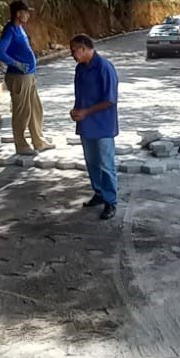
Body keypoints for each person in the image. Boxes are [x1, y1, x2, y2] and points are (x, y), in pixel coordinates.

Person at [0, 0, 52, 155]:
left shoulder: (20, 29)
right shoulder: (10, 30)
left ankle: (38, 141)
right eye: (26, 12)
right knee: (22, 112)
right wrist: (16, 64)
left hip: (29, 76)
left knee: (35, 109)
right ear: (19, 13)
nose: (28, 15)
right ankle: (21, 145)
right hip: (18, 77)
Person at [70, 34, 119, 221]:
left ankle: (110, 201)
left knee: (106, 164)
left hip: (103, 124)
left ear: (83, 48)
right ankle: (99, 192)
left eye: (74, 50)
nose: (72, 54)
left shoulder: (104, 67)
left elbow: (110, 99)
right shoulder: (80, 69)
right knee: (92, 162)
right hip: (86, 124)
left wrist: (86, 112)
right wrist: (76, 110)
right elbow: (80, 94)